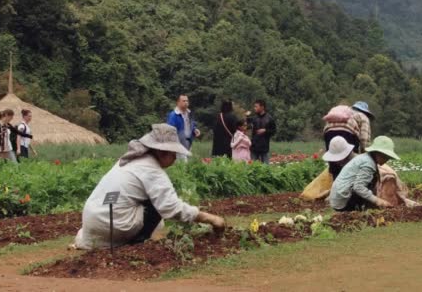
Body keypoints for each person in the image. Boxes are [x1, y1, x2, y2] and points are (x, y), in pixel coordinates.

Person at [72, 124, 225, 250]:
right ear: (162, 152)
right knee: (157, 205)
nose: (174, 159)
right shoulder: (151, 170)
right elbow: (171, 208)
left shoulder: (130, 160)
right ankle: (136, 246)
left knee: (152, 203)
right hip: (112, 225)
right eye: (173, 154)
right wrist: (211, 219)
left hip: (93, 222)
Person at [330, 136, 401, 212]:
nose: (387, 159)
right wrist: (378, 201)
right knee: (371, 181)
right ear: (378, 153)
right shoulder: (369, 164)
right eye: (385, 156)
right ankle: (357, 209)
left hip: (338, 198)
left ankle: (363, 208)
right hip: (343, 200)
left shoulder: (365, 158)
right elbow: (358, 187)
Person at [166, 95, 200, 160]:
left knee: (188, 163)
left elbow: (192, 124)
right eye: (184, 101)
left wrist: (195, 129)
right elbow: (169, 130)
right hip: (178, 144)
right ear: (178, 102)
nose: (186, 102)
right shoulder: (173, 115)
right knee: (183, 164)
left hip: (188, 142)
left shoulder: (189, 113)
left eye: (187, 101)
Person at [248, 99, 276, 164]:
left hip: (264, 147)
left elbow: (274, 131)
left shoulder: (270, 118)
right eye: (254, 106)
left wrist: (265, 130)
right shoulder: (254, 118)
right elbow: (246, 127)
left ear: (262, 107)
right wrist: (247, 117)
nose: (254, 108)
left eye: (256, 106)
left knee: (266, 168)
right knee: (254, 168)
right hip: (254, 147)